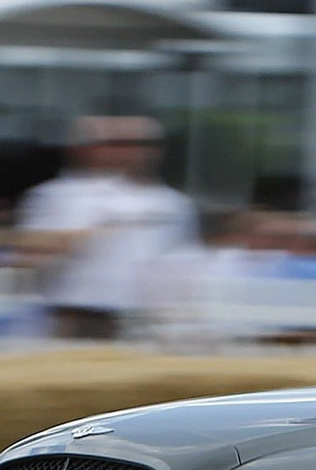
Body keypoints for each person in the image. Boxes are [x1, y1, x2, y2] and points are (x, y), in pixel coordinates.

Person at [17, 116, 199, 342]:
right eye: (116, 143)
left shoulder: (172, 203)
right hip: (79, 314)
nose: (130, 152)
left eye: (141, 144)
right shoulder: (59, 195)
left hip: (145, 318)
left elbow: (184, 261)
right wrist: (87, 234)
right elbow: (31, 252)